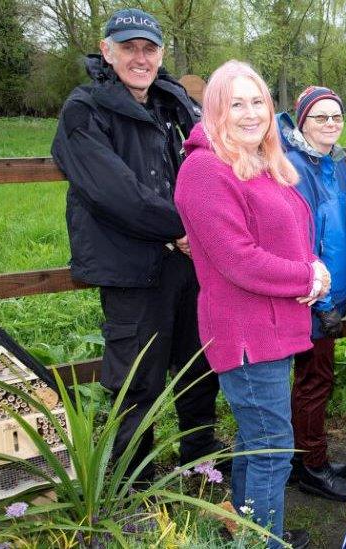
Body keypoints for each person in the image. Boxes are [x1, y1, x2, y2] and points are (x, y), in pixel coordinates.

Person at [50, 7, 221, 481]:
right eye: (129, 48)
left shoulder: (175, 103)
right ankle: (134, 484)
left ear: (161, 54)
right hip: (133, 267)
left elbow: (212, 163)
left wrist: (206, 226)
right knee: (135, 380)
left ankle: (200, 465)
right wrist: (184, 228)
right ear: (107, 51)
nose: (140, 58)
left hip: (189, 265)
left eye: (149, 49)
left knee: (198, 366)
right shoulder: (85, 109)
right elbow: (113, 192)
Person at [174, 60, 321, 549]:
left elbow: (287, 233)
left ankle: (246, 534)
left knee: (257, 442)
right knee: (272, 451)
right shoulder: (204, 169)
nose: (251, 112)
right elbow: (238, 260)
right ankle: (265, 542)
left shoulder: (260, 163)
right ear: (215, 110)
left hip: (275, 326)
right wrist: (305, 275)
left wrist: (313, 267)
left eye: (258, 100)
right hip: (245, 333)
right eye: (236, 103)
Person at [276, 86, 346, 501]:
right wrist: (324, 302)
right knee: (315, 379)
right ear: (302, 121)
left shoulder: (334, 162)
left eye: (336, 117)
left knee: (314, 378)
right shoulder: (295, 167)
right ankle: (312, 466)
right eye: (320, 117)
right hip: (313, 299)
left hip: (335, 294)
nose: (330, 124)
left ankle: (298, 456)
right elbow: (301, 240)